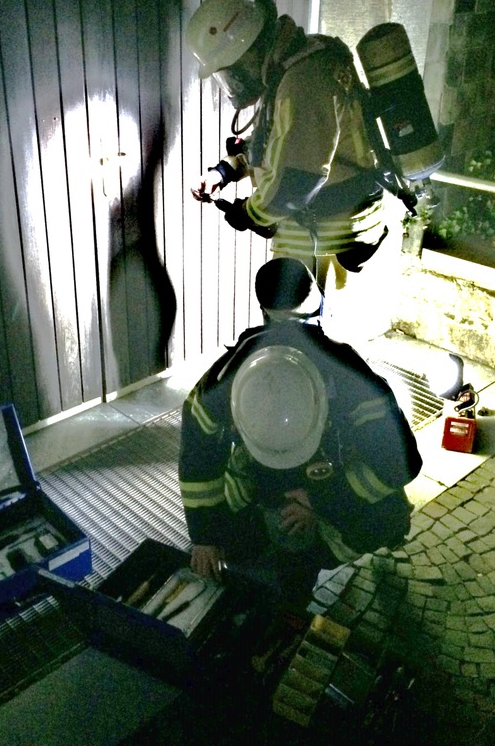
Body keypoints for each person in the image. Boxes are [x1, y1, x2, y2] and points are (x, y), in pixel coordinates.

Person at [178, 258, 422, 602]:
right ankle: (263, 553)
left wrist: (321, 501)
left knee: (385, 520)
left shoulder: (350, 382)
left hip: (331, 475)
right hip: (255, 479)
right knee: (238, 545)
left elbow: (400, 463)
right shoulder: (224, 385)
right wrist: (205, 535)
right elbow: (198, 457)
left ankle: (310, 565)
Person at [185, 0, 391, 290]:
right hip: (329, 223)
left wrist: (248, 213)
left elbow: (294, 181)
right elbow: (277, 142)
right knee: (305, 315)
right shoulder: (296, 66)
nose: (235, 83)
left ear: (247, 53)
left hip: (326, 231)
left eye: (232, 72)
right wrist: (224, 172)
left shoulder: (302, 81)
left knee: (296, 317)